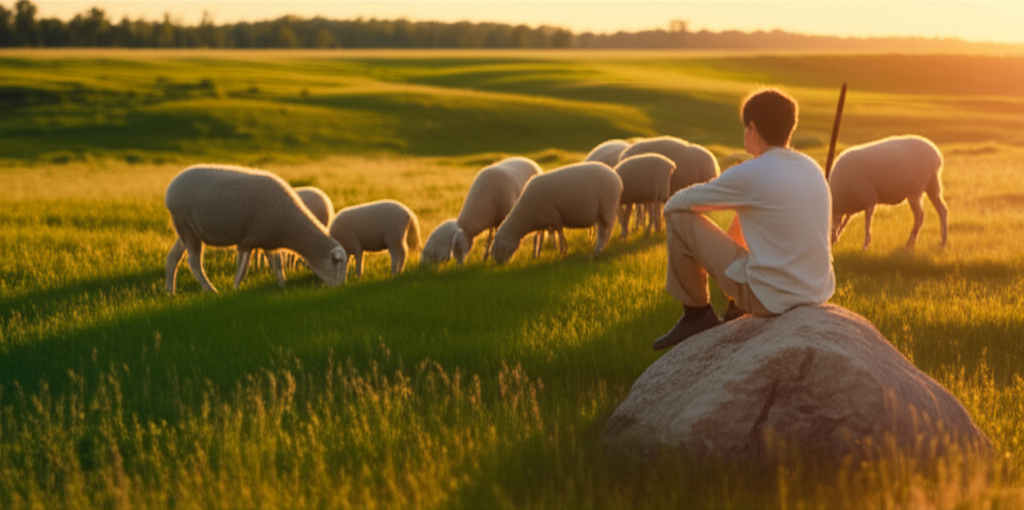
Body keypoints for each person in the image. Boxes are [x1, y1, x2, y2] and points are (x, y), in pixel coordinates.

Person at [652, 87, 835, 351]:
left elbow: (676, 204)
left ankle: (696, 314)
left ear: (751, 128)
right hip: (815, 292)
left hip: (770, 299)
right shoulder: (811, 168)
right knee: (747, 208)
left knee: (679, 217)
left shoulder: (751, 173)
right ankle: (733, 302)